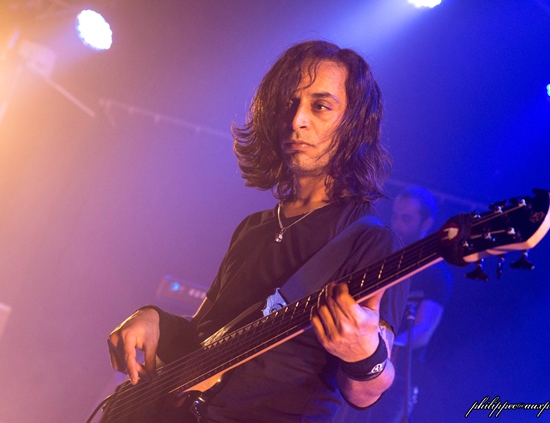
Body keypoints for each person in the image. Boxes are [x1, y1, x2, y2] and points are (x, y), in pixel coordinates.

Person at [106, 40, 410, 423]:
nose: (297, 120)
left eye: (320, 106)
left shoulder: (371, 241)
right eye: (288, 104)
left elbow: (367, 392)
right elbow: (202, 338)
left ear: (354, 124)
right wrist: (154, 318)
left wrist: (365, 355)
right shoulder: (253, 229)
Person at [333, 185, 453, 423]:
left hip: (397, 381)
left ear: (427, 223)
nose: (397, 224)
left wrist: (377, 347)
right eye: (396, 216)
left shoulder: (436, 273)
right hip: (355, 368)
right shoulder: (382, 259)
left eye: (406, 219)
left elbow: (423, 331)